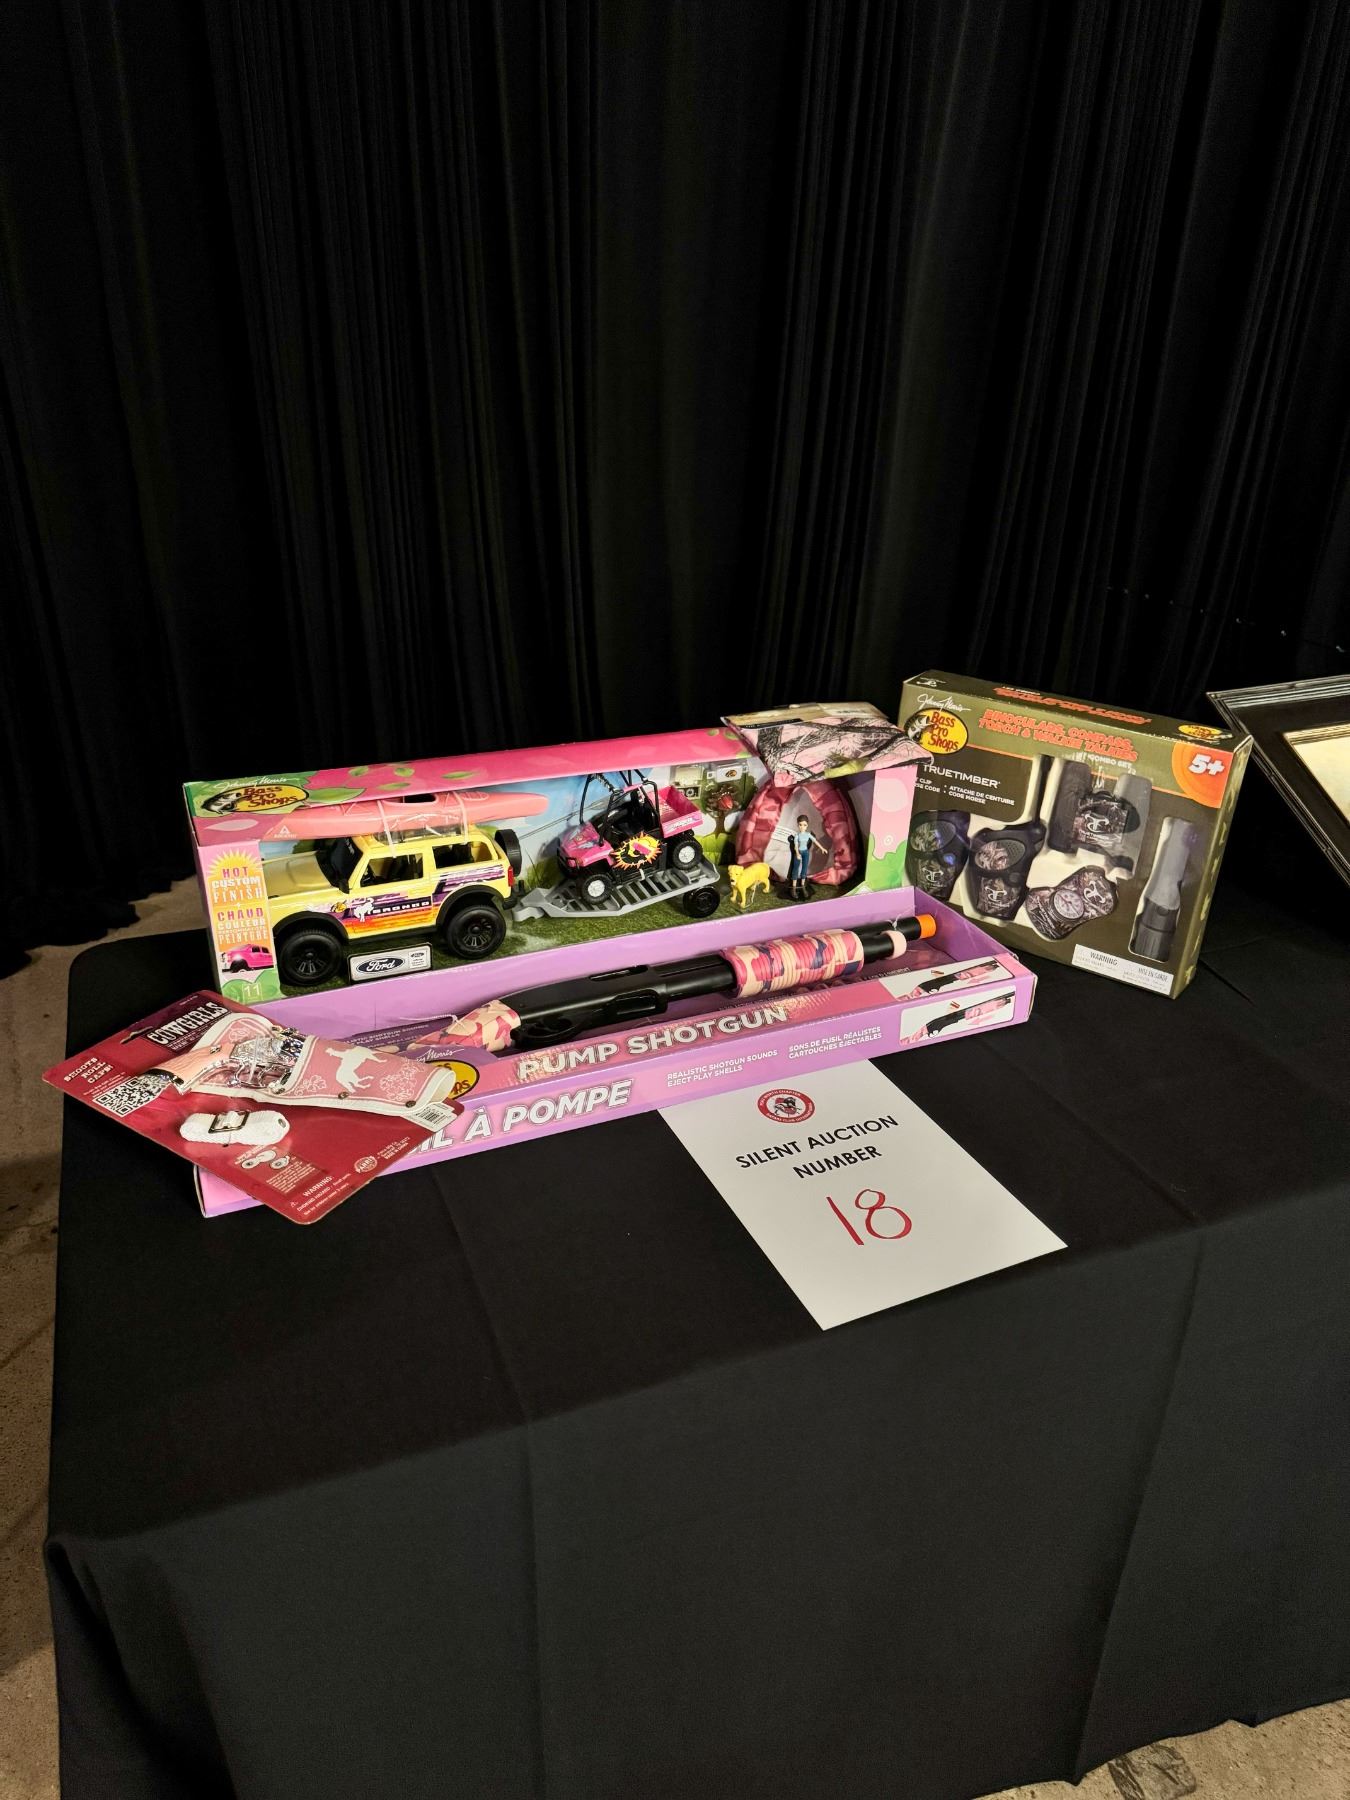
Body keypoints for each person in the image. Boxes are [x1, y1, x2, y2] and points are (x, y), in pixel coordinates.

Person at [786, 814, 828, 901]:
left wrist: (822, 848)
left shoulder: (808, 834)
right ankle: (793, 888)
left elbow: (815, 841)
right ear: (798, 825)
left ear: (807, 825)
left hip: (805, 853)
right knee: (795, 869)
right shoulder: (797, 836)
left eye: (804, 825)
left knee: (804, 869)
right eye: (800, 825)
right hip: (798, 852)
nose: (802, 827)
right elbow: (795, 846)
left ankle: (803, 886)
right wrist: (797, 854)